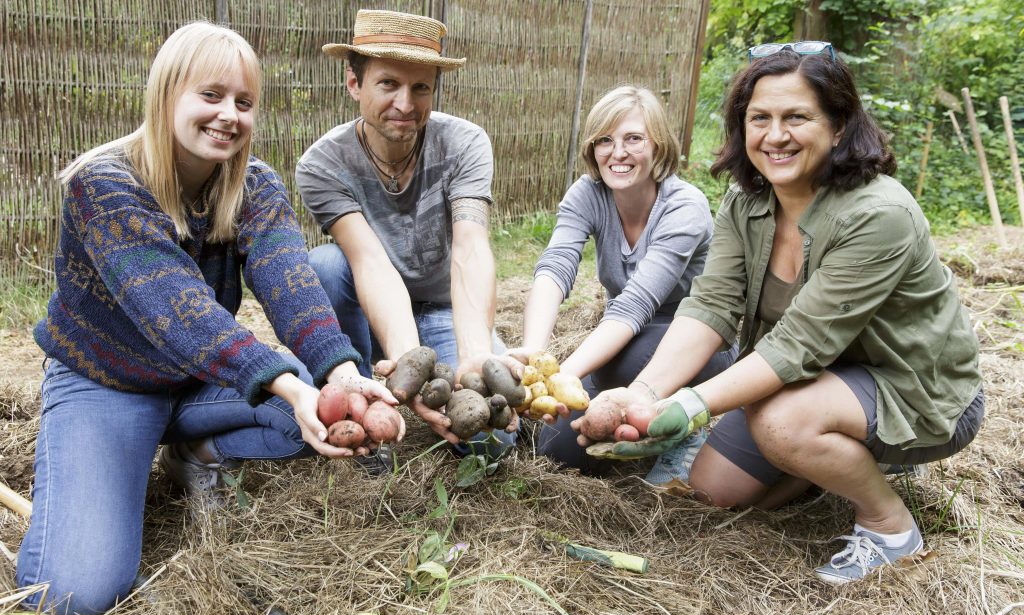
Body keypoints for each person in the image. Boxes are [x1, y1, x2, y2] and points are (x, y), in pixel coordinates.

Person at [16, 23, 396, 615]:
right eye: (211, 96)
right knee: (76, 592)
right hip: (106, 383)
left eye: (244, 103)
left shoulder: (254, 185)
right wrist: (292, 384)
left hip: (200, 381)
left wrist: (341, 374)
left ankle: (196, 453)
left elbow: (291, 283)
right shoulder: (104, 183)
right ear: (168, 93)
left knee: (320, 422)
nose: (229, 116)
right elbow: (178, 310)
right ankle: (99, 463)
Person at [579, 41, 984, 583]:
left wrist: (692, 406)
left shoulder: (878, 213)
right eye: (759, 118)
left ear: (839, 125)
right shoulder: (746, 201)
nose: (774, 136)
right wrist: (645, 394)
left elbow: (797, 347)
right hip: (817, 377)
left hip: (912, 387)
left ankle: (889, 528)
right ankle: (823, 463)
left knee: (780, 422)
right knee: (712, 490)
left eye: (797, 117)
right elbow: (711, 305)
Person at [296, 10, 518, 455]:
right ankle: (357, 390)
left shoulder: (465, 144)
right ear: (354, 83)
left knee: (489, 442)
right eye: (388, 84)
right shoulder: (321, 165)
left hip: (443, 306)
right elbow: (369, 261)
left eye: (421, 87)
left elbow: (470, 245)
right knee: (323, 264)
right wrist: (409, 366)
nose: (406, 103)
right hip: (368, 305)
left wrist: (474, 353)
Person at [509, 85, 735, 478]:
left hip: (695, 344)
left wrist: (565, 376)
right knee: (558, 451)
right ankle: (637, 422)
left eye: (633, 139)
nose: (618, 153)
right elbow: (556, 266)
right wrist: (535, 353)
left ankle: (683, 432)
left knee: (617, 364)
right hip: (626, 337)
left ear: (658, 146)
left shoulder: (684, 207)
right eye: (605, 140)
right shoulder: (588, 194)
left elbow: (636, 304)